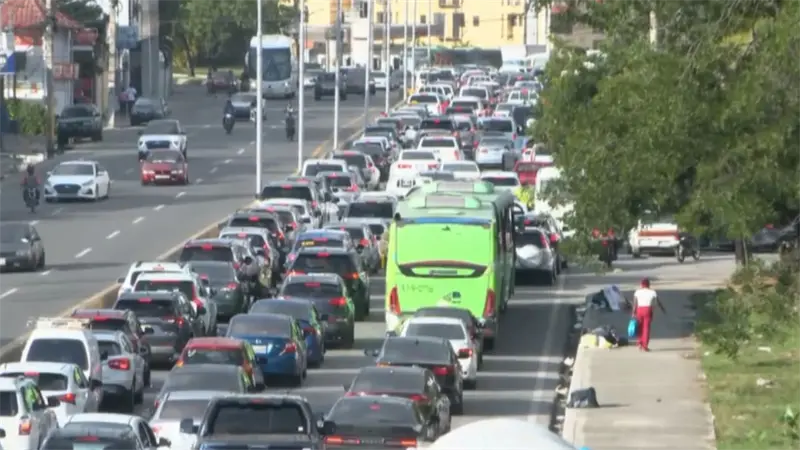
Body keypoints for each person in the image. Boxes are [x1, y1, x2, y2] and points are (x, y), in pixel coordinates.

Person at [631, 278, 666, 351]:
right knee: (646, 328)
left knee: (639, 327)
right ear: (649, 284)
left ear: (641, 284)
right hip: (648, 309)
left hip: (639, 310)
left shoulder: (637, 292)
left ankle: (640, 342)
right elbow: (657, 302)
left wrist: (633, 313)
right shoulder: (652, 292)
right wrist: (662, 309)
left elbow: (635, 304)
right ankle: (645, 346)